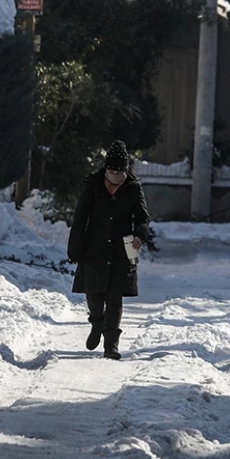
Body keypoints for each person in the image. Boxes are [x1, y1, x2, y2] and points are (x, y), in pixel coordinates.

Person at [67, 140, 150, 360]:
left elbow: (143, 217)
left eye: (118, 171)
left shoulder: (133, 187)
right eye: (110, 170)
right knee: (93, 293)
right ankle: (97, 323)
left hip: (124, 247)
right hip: (95, 245)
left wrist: (141, 234)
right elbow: (80, 218)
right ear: (105, 169)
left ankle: (111, 344)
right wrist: (75, 250)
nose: (114, 175)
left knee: (115, 296)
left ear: (125, 170)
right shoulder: (93, 184)